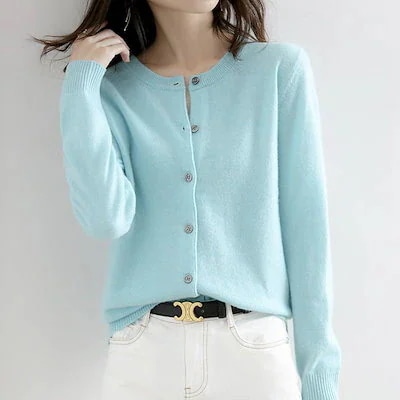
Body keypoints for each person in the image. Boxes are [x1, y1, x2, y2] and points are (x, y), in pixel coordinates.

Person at [34, 1, 342, 399]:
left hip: (253, 352)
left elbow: (307, 231)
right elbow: (105, 219)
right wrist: (81, 84)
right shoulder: (113, 90)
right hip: (144, 355)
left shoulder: (278, 70)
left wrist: (320, 382)